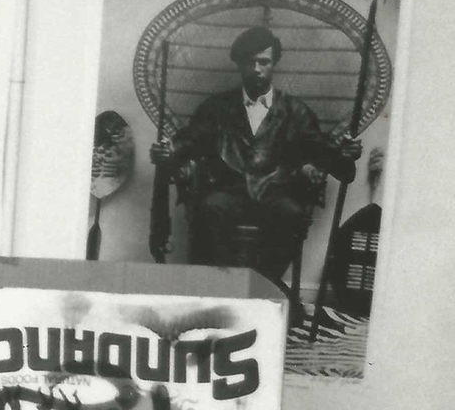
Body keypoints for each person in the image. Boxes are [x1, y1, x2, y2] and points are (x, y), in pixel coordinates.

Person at [150, 26, 362, 281]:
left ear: (274, 64)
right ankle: (223, 286)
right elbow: (190, 140)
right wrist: (169, 150)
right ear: (240, 64)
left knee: (293, 215)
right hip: (228, 192)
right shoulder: (217, 107)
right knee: (208, 210)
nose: (257, 70)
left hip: (274, 192)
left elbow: (322, 150)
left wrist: (344, 154)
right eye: (250, 62)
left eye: (264, 62)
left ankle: (262, 286)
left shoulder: (296, 111)